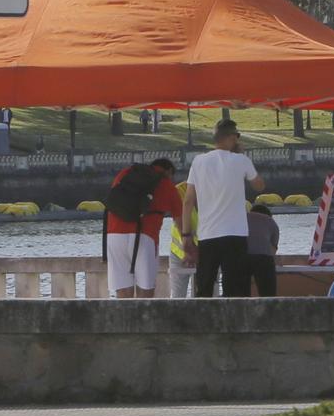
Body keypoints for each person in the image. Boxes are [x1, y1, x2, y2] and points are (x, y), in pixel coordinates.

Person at [185, 117, 263, 297]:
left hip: (207, 235)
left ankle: (203, 323)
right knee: (236, 289)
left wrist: (186, 234)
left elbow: (188, 201)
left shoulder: (198, 161)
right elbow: (259, 185)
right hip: (235, 234)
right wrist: (242, 156)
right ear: (232, 137)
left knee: (204, 287)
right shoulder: (241, 160)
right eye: (237, 135)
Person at [104, 156, 182, 298]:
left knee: (122, 290)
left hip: (113, 235)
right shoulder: (166, 185)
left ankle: (125, 319)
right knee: (145, 291)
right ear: (169, 171)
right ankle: (143, 320)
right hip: (144, 237)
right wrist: (188, 244)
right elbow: (180, 219)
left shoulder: (125, 173)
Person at [165, 180, 197, 298]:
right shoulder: (179, 190)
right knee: (178, 297)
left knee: (203, 295)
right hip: (180, 253)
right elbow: (178, 221)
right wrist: (189, 250)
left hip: (203, 253)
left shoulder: (212, 188)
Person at [245, 202, 280, 297]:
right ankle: (269, 310)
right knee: (268, 296)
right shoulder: (272, 222)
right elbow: (273, 251)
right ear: (269, 215)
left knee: (240, 296)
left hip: (241, 257)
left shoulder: (243, 218)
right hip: (264, 259)